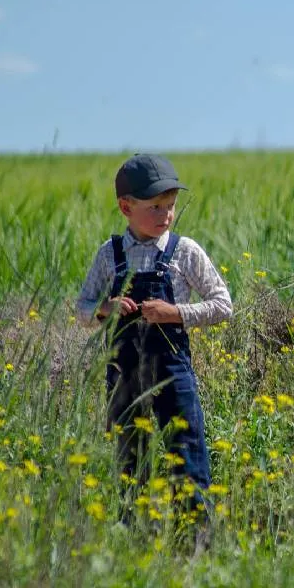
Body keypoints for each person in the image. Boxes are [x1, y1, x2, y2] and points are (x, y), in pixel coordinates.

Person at [75, 153, 232, 519]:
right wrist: (104, 309)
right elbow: (81, 307)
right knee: (130, 458)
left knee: (187, 453)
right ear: (125, 207)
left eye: (171, 206)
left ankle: (195, 538)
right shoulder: (109, 255)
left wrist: (174, 313)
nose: (165, 215)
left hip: (173, 373)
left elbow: (223, 304)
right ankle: (134, 536)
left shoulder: (185, 251)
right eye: (155, 207)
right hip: (123, 374)